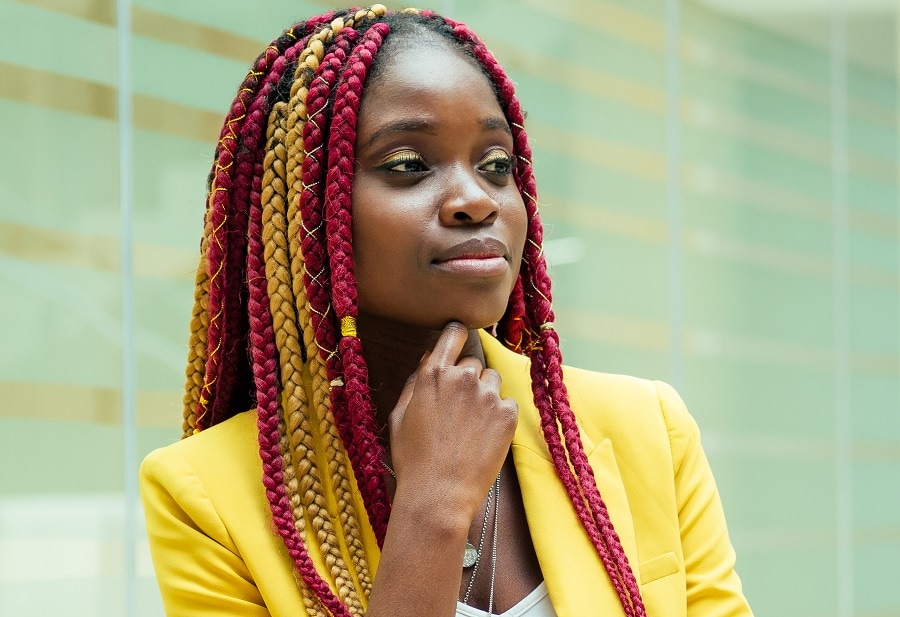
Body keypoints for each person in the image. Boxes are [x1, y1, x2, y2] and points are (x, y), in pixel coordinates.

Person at [139, 5, 754, 617]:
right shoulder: (205, 497)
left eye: (495, 165)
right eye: (408, 165)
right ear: (304, 212)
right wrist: (433, 506)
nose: (474, 200)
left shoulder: (646, 429)